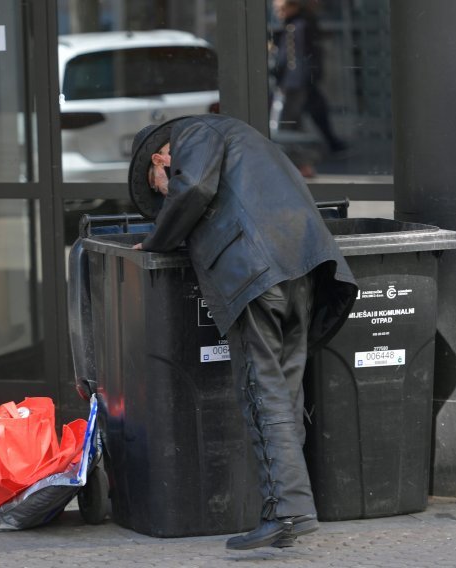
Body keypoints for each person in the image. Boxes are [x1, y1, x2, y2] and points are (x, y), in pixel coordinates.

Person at [128, 114, 357, 550]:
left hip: (255, 272)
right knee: (285, 392)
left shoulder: (195, 134)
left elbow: (192, 187)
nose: (165, 193)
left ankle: (288, 510)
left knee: (261, 386)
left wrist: (159, 238)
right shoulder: (247, 141)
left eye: (159, 183)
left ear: (161, 157)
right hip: (301, 270)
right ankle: (287, 512)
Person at [270, 0, 347, 154]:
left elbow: (292, 55)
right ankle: (331, 144)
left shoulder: (298, 25)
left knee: (290, 119)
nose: (280, 14)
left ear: (294, 7)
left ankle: (294, 153)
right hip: (299, 79)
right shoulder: (294, 24)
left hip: (296, 81)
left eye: (283, 9)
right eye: (277, 10)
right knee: (310, 113)